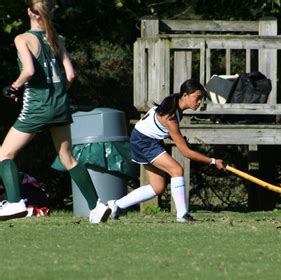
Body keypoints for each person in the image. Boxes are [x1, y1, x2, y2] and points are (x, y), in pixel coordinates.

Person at [0, 0, 111, 223]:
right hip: (60, 105)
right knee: (67, 157)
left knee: (4, 153)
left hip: (37, 106)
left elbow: (29, 71)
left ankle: (14, 203)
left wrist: (13, 87)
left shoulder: (22, 39)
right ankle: (97, 207)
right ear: (49, 12)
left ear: (30, 12)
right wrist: (57, 96)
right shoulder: (57, 39)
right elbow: (70, 76)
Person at [107, 79, 226, 222]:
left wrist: (179, 138)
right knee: (177, 170)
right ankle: (182, 215)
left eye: (201, 99)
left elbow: (164, 130)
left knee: (157, 187)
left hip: (143, 139)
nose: (200, 102)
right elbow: (186, 153)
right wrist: (213, 161)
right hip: (143, 141)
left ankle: (115, 205)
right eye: (197, 98)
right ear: (185, 95)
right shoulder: (171, 116)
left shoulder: (175, 106)